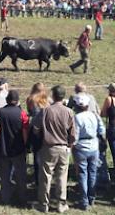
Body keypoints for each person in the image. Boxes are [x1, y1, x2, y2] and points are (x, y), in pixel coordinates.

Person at [32, 85, 75, 213]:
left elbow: (35, 127)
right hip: (63, 147)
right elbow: (73, 134)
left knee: (45, 177)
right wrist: (69, 146)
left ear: (53, 96)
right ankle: (61, 204)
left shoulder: (45, 111)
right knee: (62, 177)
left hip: (48, 147)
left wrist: (41, 135)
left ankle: (43, 204)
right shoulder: (69, 112)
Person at [0, 90, 29, 207]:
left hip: (3, 147)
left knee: (4, 175)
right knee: (20, 175)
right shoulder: (22, 113)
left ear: (7, 100)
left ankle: (5, 197)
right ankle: (22, 197)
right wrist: (26, 146)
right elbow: (25, 131)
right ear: (17, 100)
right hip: (18, 149)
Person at [72, 93, 106, 211]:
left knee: (82, 174)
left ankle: (84, 200)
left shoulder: (77, 118)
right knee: (92, 173)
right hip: (94, 146)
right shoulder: (94, 115)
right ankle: (91, 197)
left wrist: (72, 146)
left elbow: (75, 135)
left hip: (81, 148)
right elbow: (102, 129)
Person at [26, 82, 50, 186]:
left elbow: (30, 112)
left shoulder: (30, 99)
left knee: (36, 155)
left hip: (35, 128)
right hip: (46, 129)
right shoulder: (47, 100)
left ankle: (37, 179)